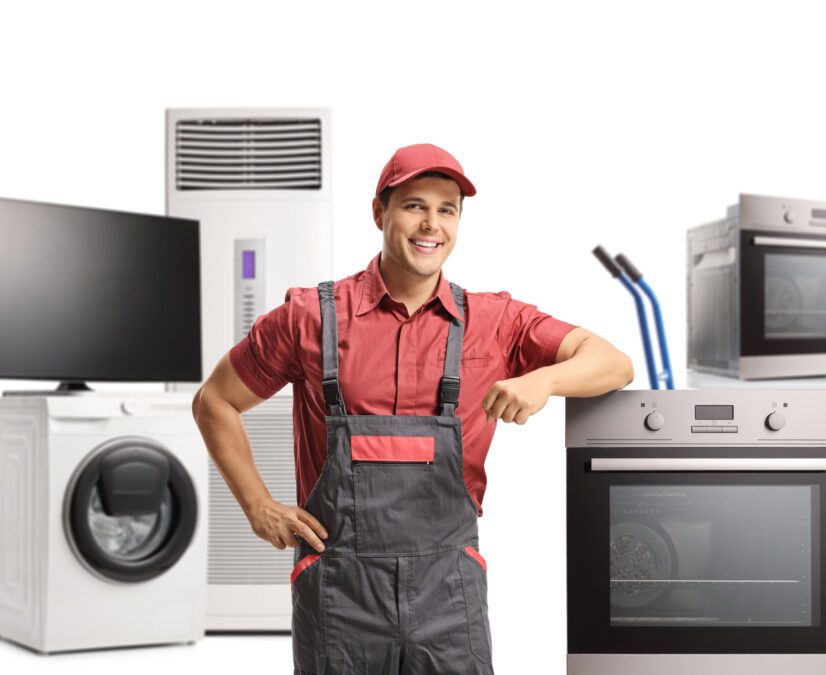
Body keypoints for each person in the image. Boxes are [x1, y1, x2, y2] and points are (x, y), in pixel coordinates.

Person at [191, 143, 634, 675]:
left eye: (447, 209)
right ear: (380, 212)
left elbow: (613, 363)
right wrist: (257, 506)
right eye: (414, 205)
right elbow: (214, 401)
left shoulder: (495, 321)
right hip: (339, 588)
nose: (432, 224)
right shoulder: (309, 317)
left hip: (448, 591)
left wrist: (544, 379)